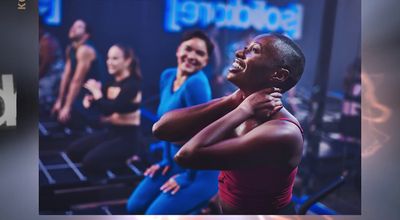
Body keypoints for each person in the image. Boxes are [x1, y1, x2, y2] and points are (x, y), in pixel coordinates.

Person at [153, 34, 306, 214]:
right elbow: (161, 129)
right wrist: (232, 101)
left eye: (254, 50)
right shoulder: (239, 104)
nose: (239, 53)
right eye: (245, 48)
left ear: (279, 75)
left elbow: (186, 156)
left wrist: (242, 110)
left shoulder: (283, 132)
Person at [126, 31, 219, 214]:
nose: (192, 56)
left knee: (152, 215)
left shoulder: (196, 84)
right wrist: (165, 161)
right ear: (178, 50)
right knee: (134, 207)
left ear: (206, 61)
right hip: (174, 162)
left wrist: (186, 177)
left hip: (197, 172)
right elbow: (167, 125)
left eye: (199, 53)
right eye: (188, 49)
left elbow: (201, 135)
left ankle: (200, 209)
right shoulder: (167, 76)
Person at [66, 44, 142, 174]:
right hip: (112, 132)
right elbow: (102, 104)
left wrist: (97, 94)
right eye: (108, 58)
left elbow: (110, 109)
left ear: (127, 60)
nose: (109, 62)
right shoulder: (112, 82)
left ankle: (130, 157)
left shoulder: (133, 84)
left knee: (90, 162)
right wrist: (91, 99)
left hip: (128, 138)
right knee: (73, 151)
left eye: (115, 58)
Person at [51, 19, 105, 127]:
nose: (73, 28)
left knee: (70, 112)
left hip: (91, 94)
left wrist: (67, 106)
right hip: (79, 91)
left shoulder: (85, 50)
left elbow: (77, 80)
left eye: (79, 27)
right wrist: (59, 101)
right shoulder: (70, 48)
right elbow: (66, 76)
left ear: (86, 35)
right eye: (73, 25)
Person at [39, 17, 64, 113]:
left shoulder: (47, 41)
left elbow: (45, 65)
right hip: (46, 76)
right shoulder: (38, 39)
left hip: (54, 76)